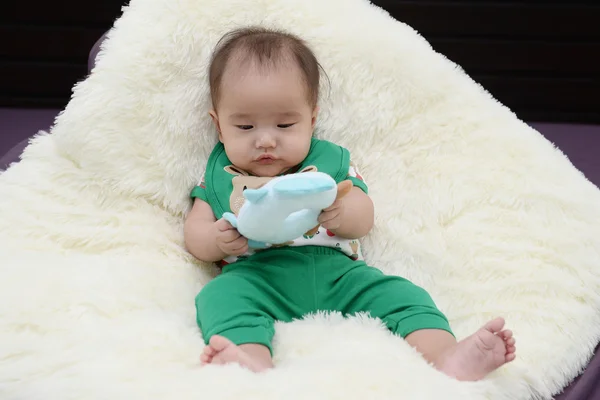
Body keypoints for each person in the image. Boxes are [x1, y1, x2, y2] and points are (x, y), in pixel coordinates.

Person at [183, 27, 516, 381]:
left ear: (312, 120)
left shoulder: (330, 163)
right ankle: (249, 360)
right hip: (256, 276)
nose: (266, 140)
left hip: (338, 274)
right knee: (219, 296)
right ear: (219, 127)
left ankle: (448, 355)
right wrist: (216, 240)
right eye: (246, 126)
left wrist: (344, 213)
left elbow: (363, 217)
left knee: (404, 294)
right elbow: (195, 232)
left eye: (285, 124)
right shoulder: (219, 174)